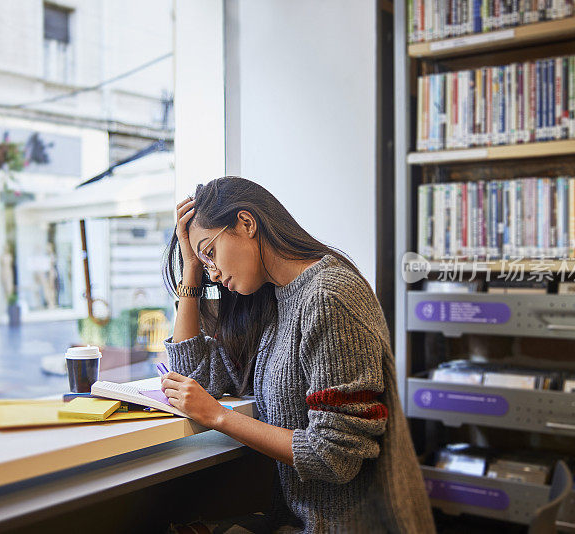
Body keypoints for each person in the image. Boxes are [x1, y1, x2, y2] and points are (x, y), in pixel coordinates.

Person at [160, 177, 435, 533]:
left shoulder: (329, 296)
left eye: (210, 253)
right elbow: (195, 379)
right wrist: (191, 270)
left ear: (246, 223)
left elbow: (335, 457)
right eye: (205, 263)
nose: (214, 272)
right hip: (297, 521)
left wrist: (218, 417)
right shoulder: (275, 300)